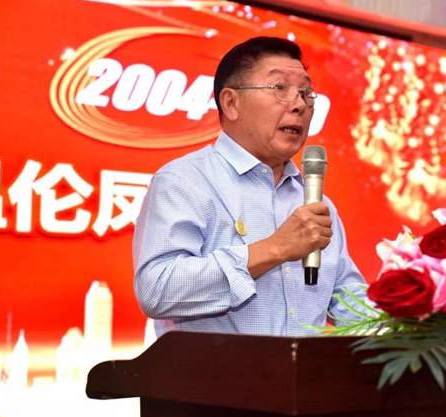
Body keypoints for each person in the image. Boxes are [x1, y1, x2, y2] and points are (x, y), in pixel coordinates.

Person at [133, 36, 367, 337]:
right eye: (280, 88)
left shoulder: (316, 203)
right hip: (217, 370)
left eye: (306, 93)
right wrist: (276, 248)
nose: (299, 105)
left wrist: (415, 318)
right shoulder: (184, 181)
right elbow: (157, 289)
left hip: (304, 369)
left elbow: (350, 302)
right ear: (231, 103)